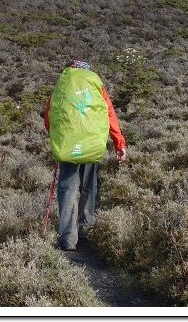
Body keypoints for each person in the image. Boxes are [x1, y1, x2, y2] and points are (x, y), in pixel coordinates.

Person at [43, 60, 127, 251]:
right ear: (86, 71)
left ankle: (67, 238)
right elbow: (109, 114)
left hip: (68, 146)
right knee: (89, 186)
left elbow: (50, 116)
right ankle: (85, 230)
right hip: (92, 144)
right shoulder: (95, 84)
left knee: (68, 190)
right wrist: (119, 143)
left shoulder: (62, 85)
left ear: (70, 69)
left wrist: (57, 139)